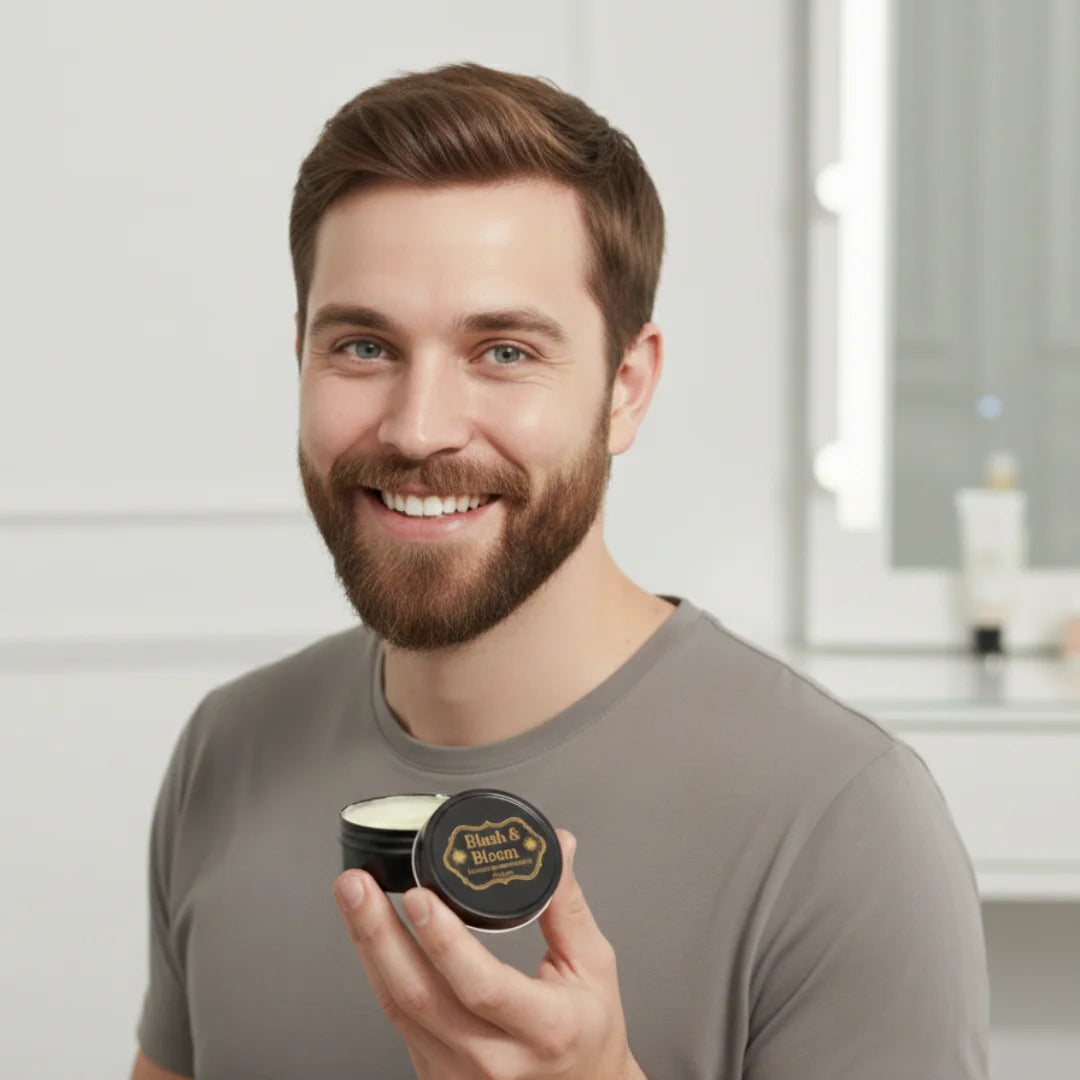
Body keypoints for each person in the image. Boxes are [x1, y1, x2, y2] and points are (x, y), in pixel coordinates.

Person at [131, 62, 990, 1080]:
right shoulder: (227, 750)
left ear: (626, 388)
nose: (417, 429)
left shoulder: (845, 821)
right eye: (363, 347)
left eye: (503, 352)